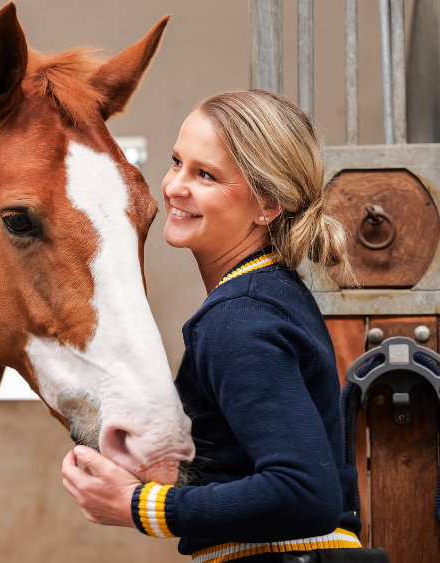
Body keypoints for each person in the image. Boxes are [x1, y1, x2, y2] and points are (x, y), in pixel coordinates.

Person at [61, 90, 390, 562]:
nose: (174, 186)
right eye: (177, 162)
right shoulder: (269, 295)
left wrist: (139, 506)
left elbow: (303, 492)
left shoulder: (240, 318)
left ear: (268, 204)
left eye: (205, 175)